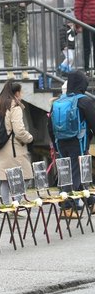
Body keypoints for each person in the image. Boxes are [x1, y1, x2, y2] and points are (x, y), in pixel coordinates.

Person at [47, 70, 95, 217]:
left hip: (61, 143)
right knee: (76, 173)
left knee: (68, 172)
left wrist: (55, 146)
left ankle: (91, 202)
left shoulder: (58, 102)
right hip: (78, 142)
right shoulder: (84, 100)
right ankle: (67, 207)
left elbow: (50, 125)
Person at [0, 80, 33, 203]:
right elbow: (19, 130)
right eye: (21, 91)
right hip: (13, 148)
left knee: (5, 179)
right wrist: (29, 137)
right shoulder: (14, 106)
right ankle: (16, 203)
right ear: (17, 93)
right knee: (26, 175)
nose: (22, 94)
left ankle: (6, 206)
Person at [73, 0, 95, 75]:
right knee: (87, 48)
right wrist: (79, 25)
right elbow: (77, 9)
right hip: (87, 23)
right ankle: (86, 69)